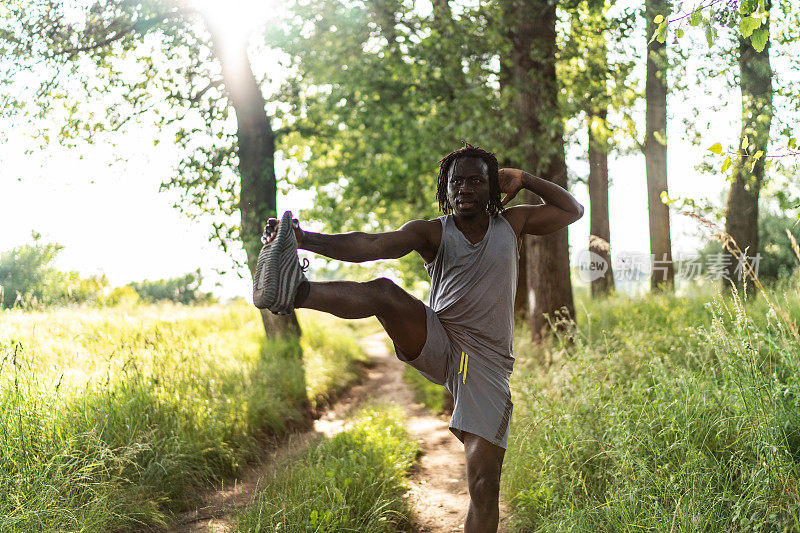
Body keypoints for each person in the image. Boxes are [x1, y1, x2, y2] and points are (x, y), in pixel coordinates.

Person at [254, 143, 584, 532]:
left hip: (487, 367)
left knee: (484, 484)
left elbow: (571, 211)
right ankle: (295, 292)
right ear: (445, 189)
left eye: (476, 181)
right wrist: (304, 237)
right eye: (455, 181)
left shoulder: (512, 224)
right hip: (439, 340)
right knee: (383, 292)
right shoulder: (431, 232)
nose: (464, 188)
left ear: (493, 189)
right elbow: (371, 245)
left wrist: (525, 178)